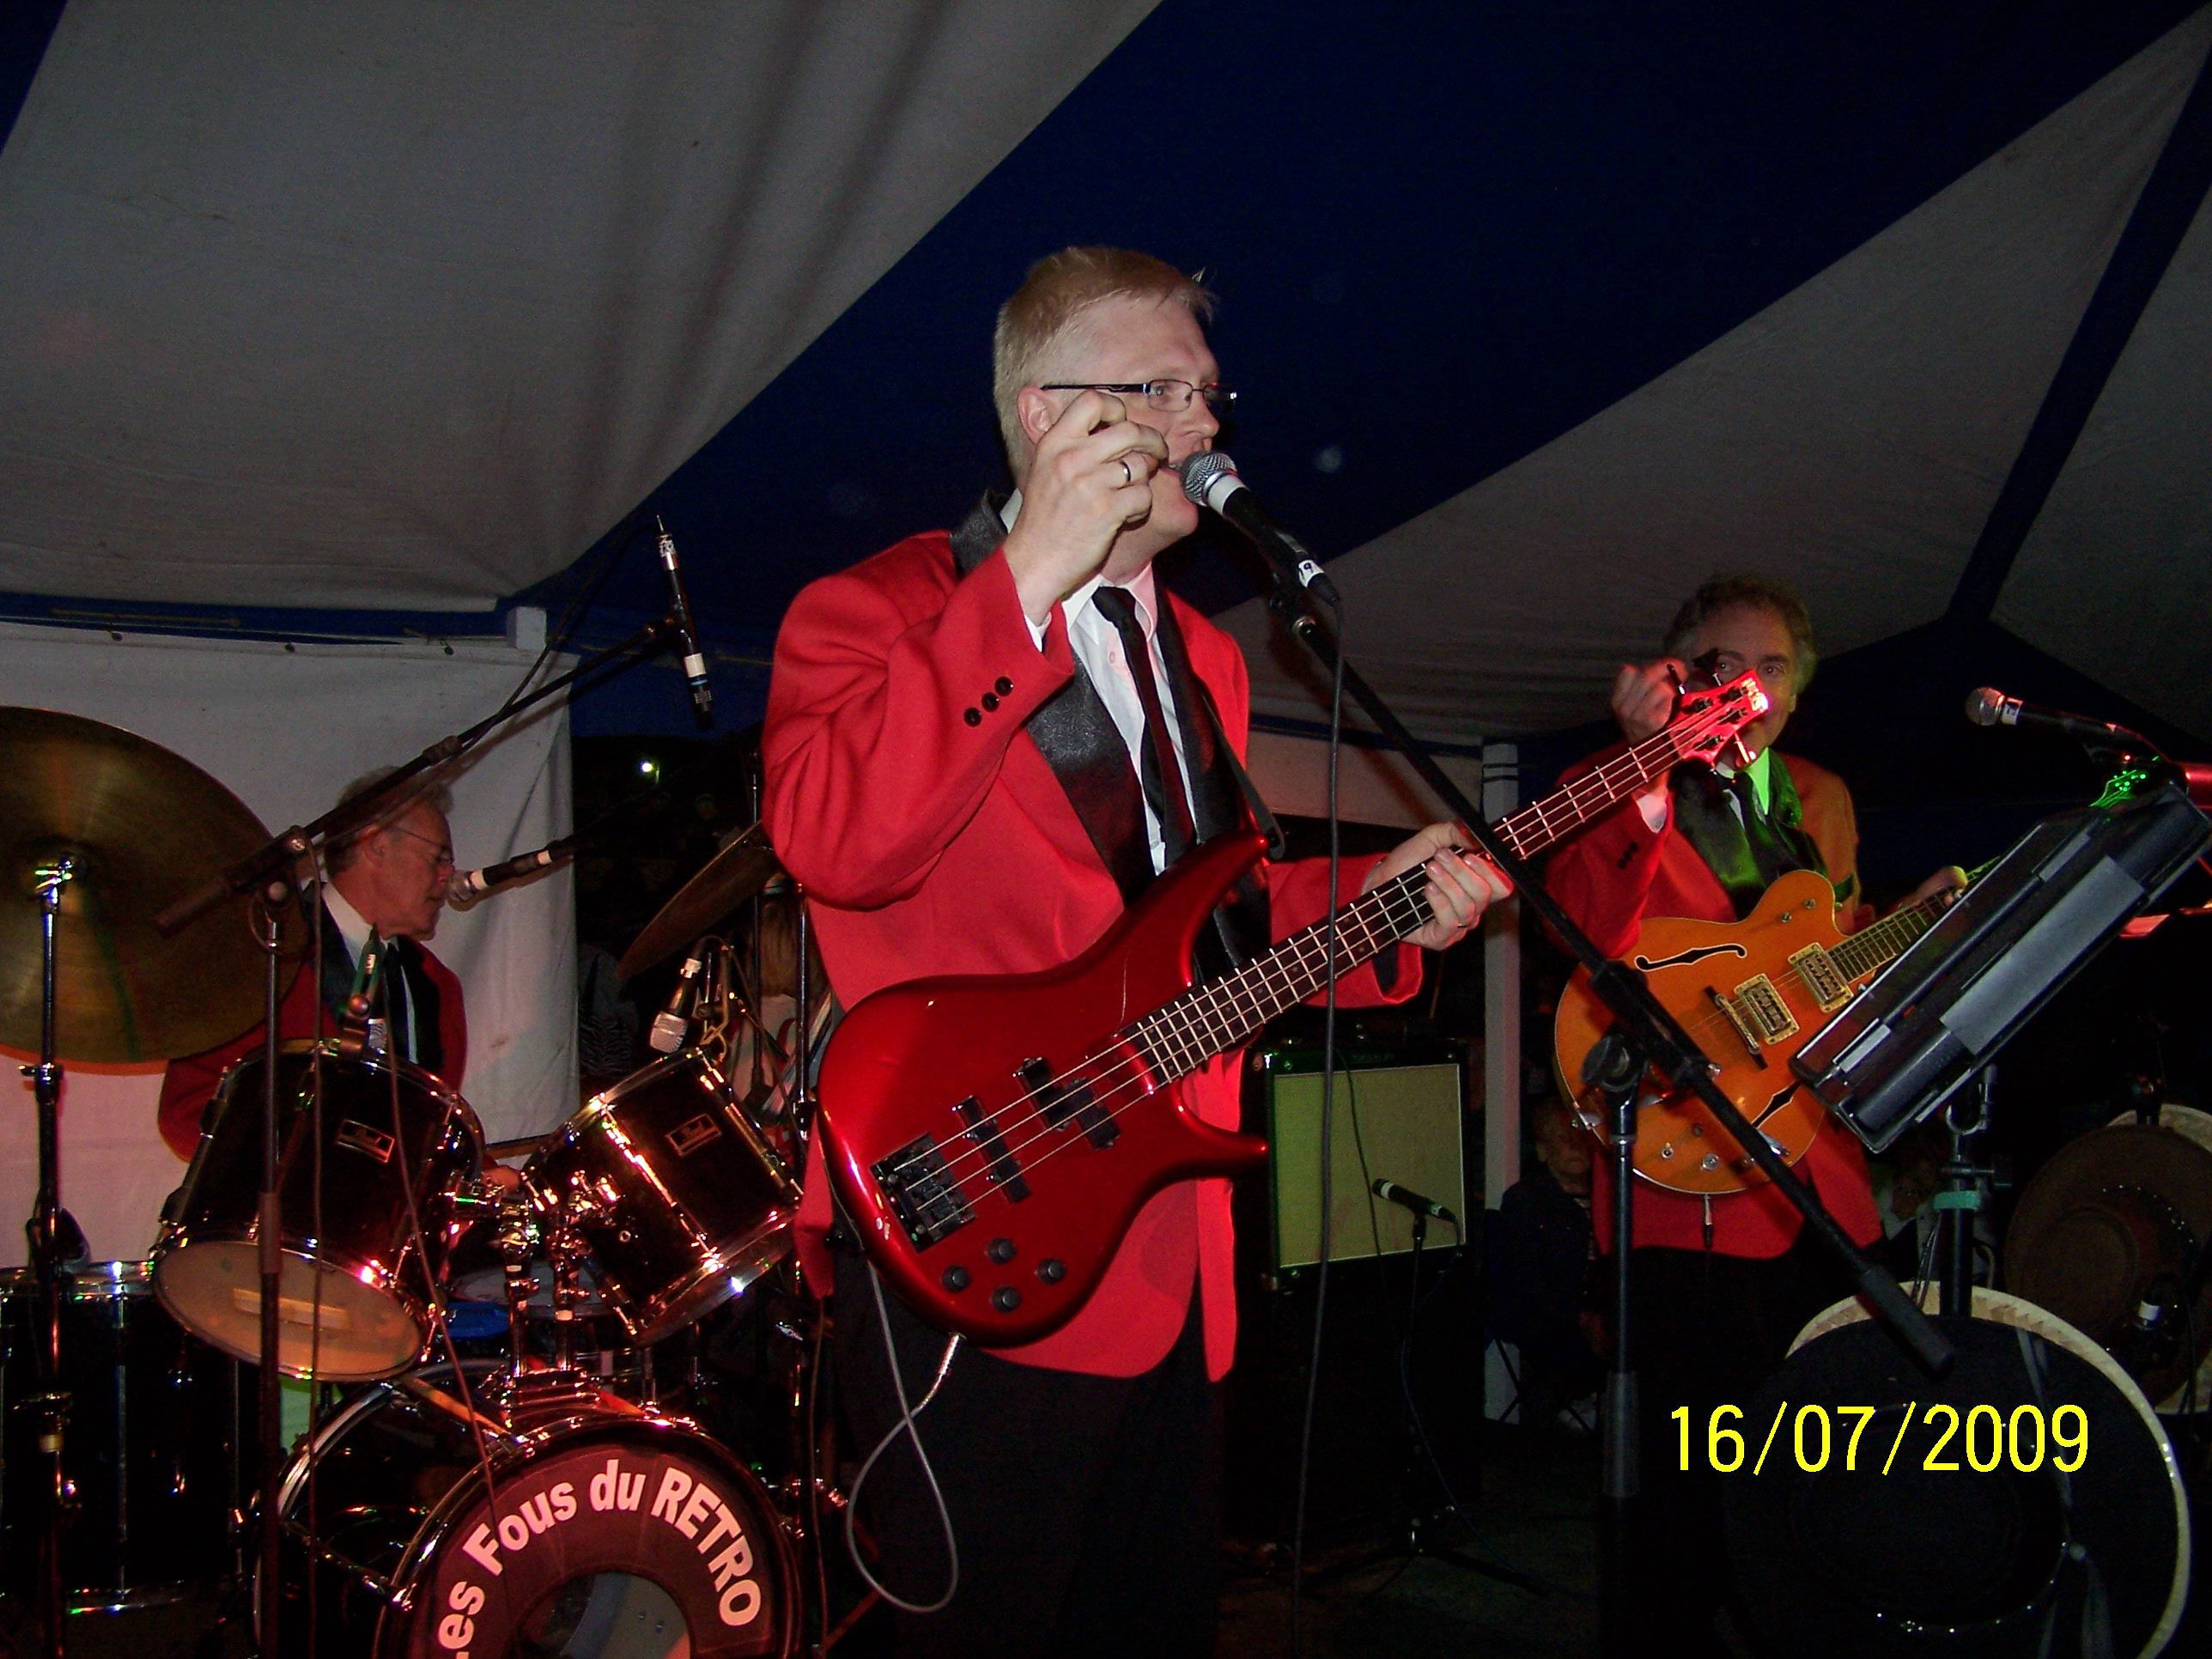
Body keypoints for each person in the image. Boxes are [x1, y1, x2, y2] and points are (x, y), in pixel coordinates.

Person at [763, 246, 1507, 1655]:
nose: (1204, 423)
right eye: (1160, 390)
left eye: (1209, 394)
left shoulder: (1206, 661)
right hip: (970, 1227)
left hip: (1171, 1244)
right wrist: (1027, 581)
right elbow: (840, 846)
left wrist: (1379, 901)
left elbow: (1206, 936)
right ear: (1047, 416)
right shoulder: (877, 610)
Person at [1544, 574, 1956, 1651]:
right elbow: (1579, 926)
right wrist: (1643, 767)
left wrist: (1902, 930)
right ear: (1679, 670)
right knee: (1689, 1483)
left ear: (1798, 691)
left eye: (1773, 669)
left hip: (1814, 1172)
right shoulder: (1610, 780)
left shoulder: (1818, 797)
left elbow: (1826, 957)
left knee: (1826, 1453)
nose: (1751, 689)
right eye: (1726, 663)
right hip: (1684, 1184)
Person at [158, 771, 468, 1160]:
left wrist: (482, 1170)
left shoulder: (438, 985)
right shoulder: (265, 954)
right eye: (439, 857)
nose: (448, 875)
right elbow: (186, 1112)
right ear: (374, 845)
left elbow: (431, 1134)